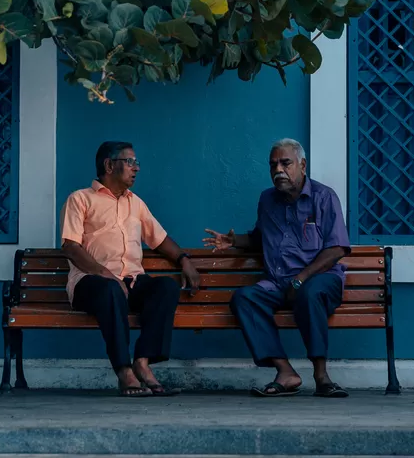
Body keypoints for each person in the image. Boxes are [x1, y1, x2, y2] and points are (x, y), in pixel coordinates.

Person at [204, 138, 351, 398]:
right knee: (244, 298)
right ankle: (286, 372)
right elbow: (262, 237)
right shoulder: (267, 200)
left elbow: (337, 248)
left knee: (310, 293)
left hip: (320, 278)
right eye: (273, 165)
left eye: (286, 163)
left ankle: (321, 375)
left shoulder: (323, 197)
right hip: (279, 282)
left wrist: (301, 279)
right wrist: (234, 240)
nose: (278, 170)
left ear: (302, 165)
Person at [60, 141, 200, 397]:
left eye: (137, 163)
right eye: (130, 162)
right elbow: (70, 246)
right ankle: (124, 370)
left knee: (166, 287)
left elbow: (159, 238)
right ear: (109, 165)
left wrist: (183, 260)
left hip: (131, 282)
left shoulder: (135, 203)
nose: (136, 168)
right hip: (91, 282)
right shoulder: (80, 199)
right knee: (110, 290)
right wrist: (105, 274)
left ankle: (142, 362)